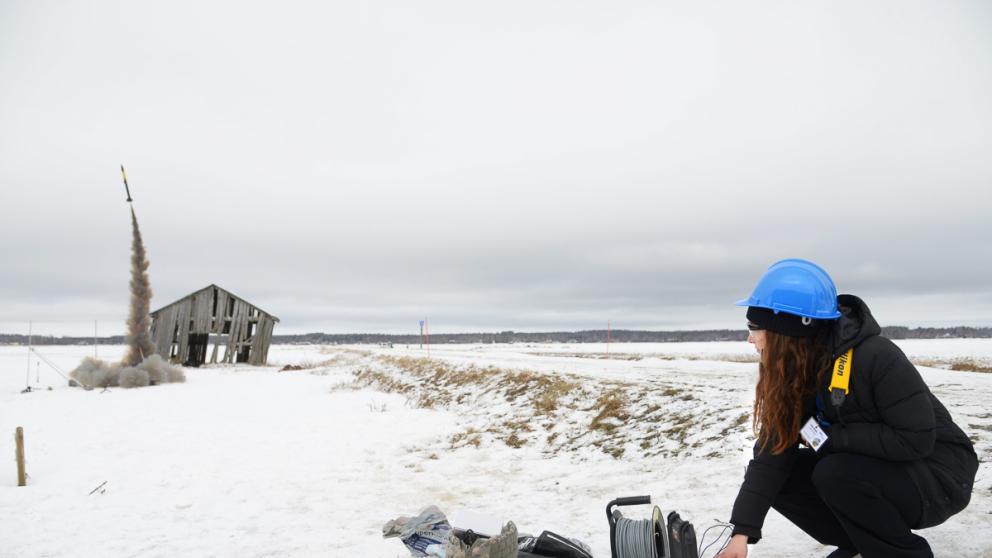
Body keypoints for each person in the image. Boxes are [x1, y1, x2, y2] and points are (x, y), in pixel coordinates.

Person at [715, 259, 978, 558]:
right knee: (786, 476)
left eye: (754, 327)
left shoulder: (876, 356)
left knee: (835, 472)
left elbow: (915, 439)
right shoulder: (797, 370)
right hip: (878, 466)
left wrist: (832, 439)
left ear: (786, 329)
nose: (750, 338)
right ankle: (862, 541)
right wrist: (742, 532)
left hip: (939, 475)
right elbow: (772, 453)